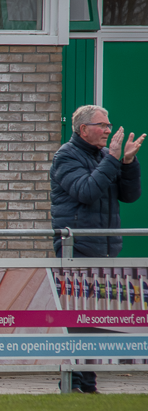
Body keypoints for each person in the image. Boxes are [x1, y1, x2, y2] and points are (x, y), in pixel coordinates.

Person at [50, 104, 143, 393]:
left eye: (108, 124)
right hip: (76, 250)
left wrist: (127, 163)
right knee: (77, 320)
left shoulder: (106, 157)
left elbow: (130, 196)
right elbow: (86, 191)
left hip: (105, 251)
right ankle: (72, 381)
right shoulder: (66, 156)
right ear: (83, 129)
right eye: (102, 125)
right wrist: (113, 160)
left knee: (96, 320)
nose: (108, 130)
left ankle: (88, 383)